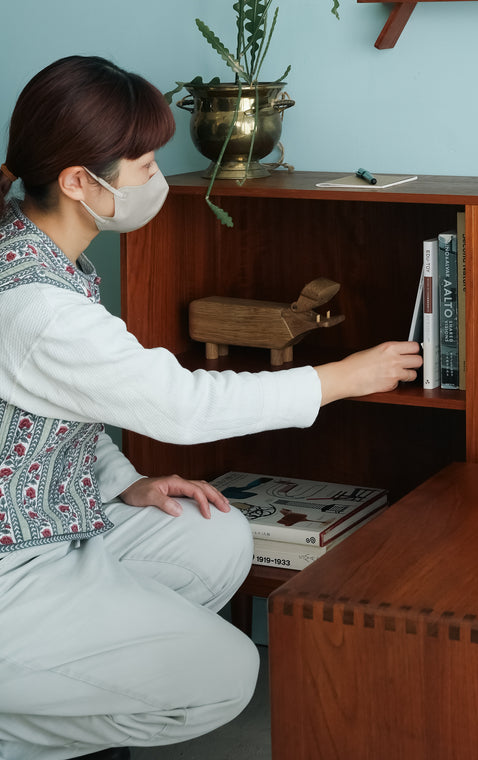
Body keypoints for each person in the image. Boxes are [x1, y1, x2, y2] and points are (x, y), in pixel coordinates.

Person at [0, 55, 422, 760]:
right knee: (228, 678)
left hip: (54, 522)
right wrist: (339, 378)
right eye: (142, 162)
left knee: (213, 531)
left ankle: (70, 671)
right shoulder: (37, 304)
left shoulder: (46, 255)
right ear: (79, 181)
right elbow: (184, 406)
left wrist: (121, 483)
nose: (155, 179)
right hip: (15, 558)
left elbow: (66, 406)